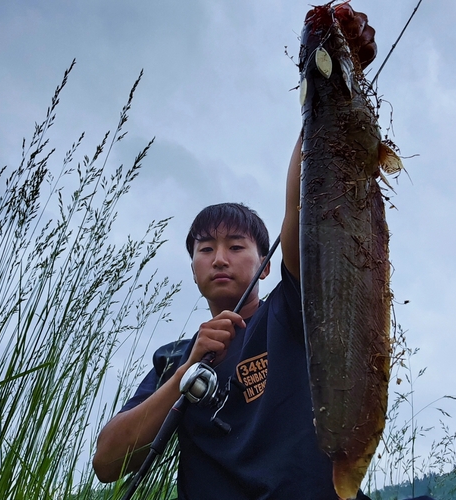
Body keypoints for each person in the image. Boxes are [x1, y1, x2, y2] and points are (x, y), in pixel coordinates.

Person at [92, 6, 434, 500]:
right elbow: (107, 461)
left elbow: (305, 207)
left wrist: (334, 81)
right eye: (206, 248)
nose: (220, 258)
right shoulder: (175, 360)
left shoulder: (290, 311)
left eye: (236, 246)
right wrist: (186, 375)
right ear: (193, 269)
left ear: (266, 262)